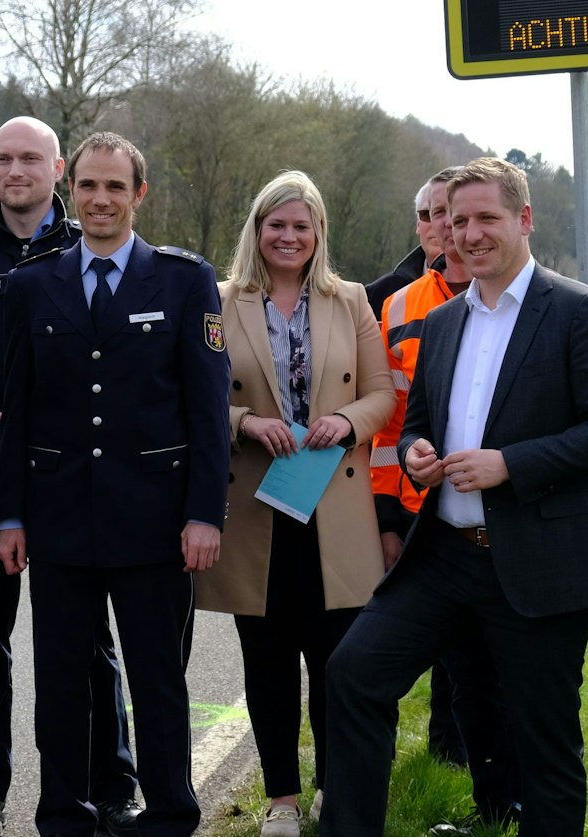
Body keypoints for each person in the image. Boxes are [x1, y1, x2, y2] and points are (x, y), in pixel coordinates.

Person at [322, 156, 588, 836]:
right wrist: (417, 454)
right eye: (456, 219)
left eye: (486, 217)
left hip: (540, 558)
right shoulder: (440, 323)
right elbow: (418, 426)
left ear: (524, 219)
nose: (469, 232)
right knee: (353, 672)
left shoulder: (578, 310)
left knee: (543, 739)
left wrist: (509, 464)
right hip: (445, 555)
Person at [0, 132, 230, 837]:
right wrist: (10, 516)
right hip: (60, 516)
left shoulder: (186, 280)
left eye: (116, 187)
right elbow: (19, 405)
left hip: (156, 519)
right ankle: (64, 812)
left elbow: (208, 411)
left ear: (139, 194)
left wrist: (205, 515)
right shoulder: (32, 283)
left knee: (158, 680)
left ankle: (169, 813)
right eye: (90, 186)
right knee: (61, 683)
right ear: (73, 187)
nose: (100, 200)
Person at [0, 116, 139, 837]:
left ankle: (111, 785)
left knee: (89, 642)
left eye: (30, 158)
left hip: (70, 476)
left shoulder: (89, 247)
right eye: (1, 158)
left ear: (58, 170)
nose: (14, 170)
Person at [195, 171, 396, 837]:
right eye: (276, 224)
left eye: (301, 225)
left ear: (318, 235)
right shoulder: (220, 302)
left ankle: (332, 788)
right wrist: (245, 422)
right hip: (258, 510)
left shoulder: (351, 300)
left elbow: (380, 393)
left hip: (333, 511)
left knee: (338, 664)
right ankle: (280, 799)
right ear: (257, 230)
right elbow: (193, 397)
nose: (289, 236)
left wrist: (347, 424)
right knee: (269, 662)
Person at [372, 167, 519, 825]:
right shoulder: (400, 307)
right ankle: (467, 779)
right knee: (453, 665)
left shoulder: (528, 302)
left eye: (457, 214)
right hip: (422, 513)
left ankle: (513, 798)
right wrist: (390, 507)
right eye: (436, 215)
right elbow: (394, 423)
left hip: (513, 525)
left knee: (510, 674)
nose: (450, 228)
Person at [361, 176, 440, 321]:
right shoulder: (376, 296)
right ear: (418, 224)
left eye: (450, 214)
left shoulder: (488, 292)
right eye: (427, 215)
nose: (438, 224)